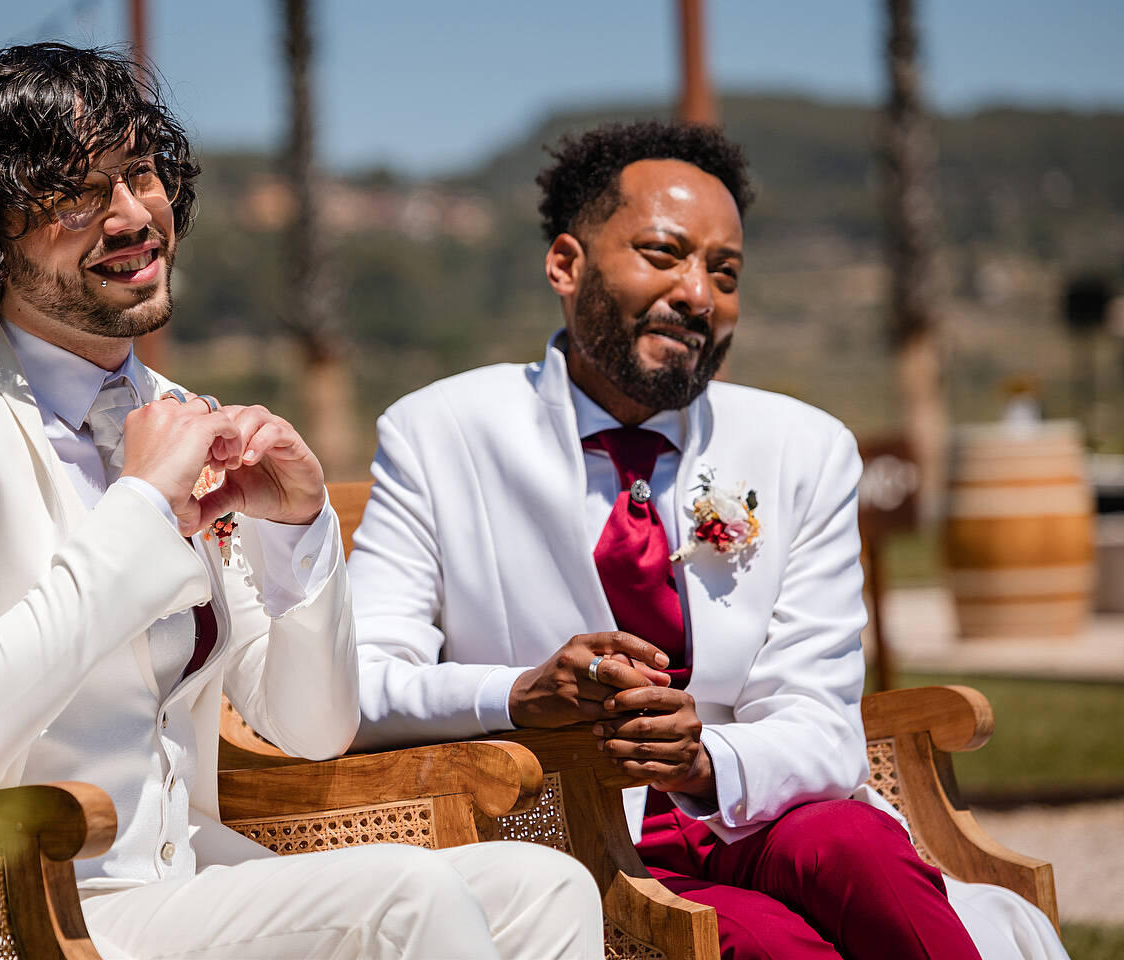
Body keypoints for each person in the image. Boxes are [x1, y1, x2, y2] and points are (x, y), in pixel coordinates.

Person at [0, 43, 603, 960]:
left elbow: (310, 728)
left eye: (140, 171)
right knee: (405, 897)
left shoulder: (174, 417)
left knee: (544, 887)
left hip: (180, 884)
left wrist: (298, 533)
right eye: (75, 193)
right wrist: (142, 506)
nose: (133, 215)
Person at [348, 120, 1067, 960]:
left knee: (866, 853)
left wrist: (702, 760)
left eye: (724, 272)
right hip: (566, 836)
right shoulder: (438, 434)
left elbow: (821, 724)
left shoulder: (804, 447)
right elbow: (360, 685)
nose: (698, 293)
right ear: (566, 264)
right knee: (771, 945)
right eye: (663, 254)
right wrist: (517, 694)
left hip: (753, 804)